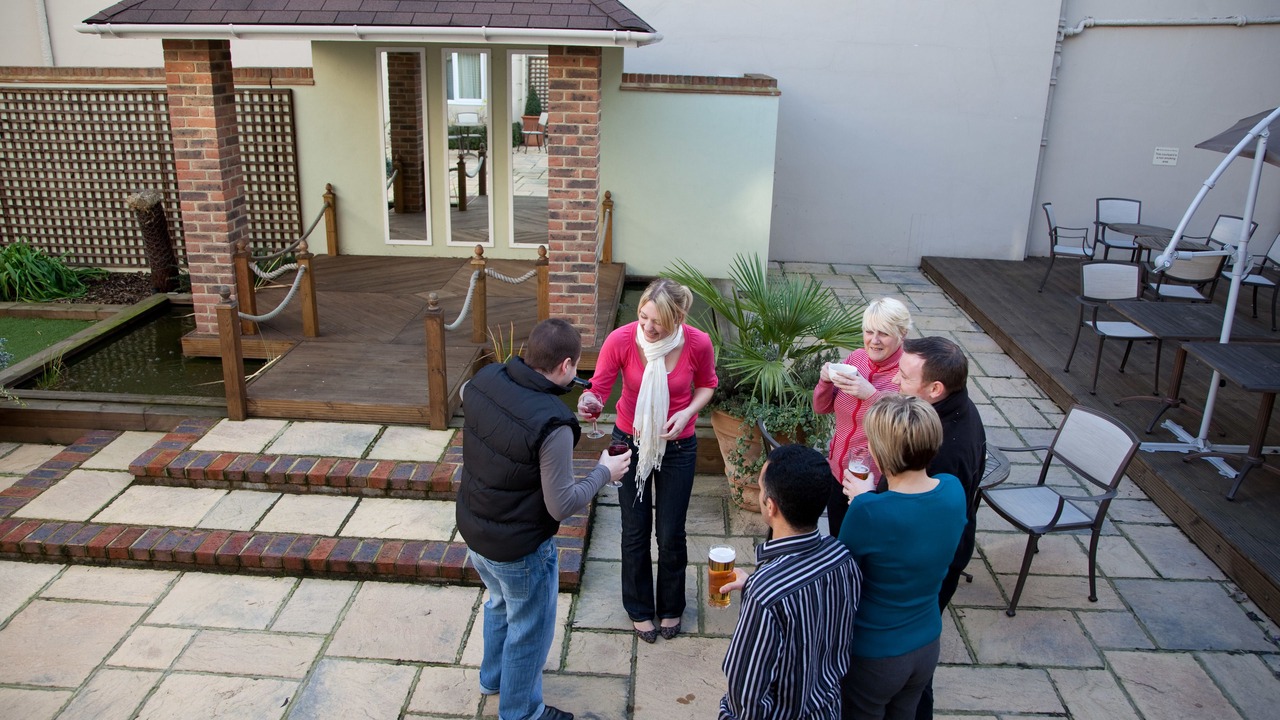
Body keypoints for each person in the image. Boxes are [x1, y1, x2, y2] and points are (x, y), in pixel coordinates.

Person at [457, 318, 632, 720]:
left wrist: (572, 393)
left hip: (475, 528)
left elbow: (505, 401)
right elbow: (561, 505)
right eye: (575, 369)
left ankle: (493, 678)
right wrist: (604, 471)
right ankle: (521, 712)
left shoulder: (483, 379)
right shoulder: (554, 425)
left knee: (499, 603)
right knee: (529, 630)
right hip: (519, 548)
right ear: (568, 363)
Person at [579, 278, 718, 643]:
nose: (649, 328)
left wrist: (687, 412)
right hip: (629, 442)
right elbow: (599, 388)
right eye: (644, 318)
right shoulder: (622, 339)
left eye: (658, 321)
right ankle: (639, 609)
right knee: (635, 530)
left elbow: (708, 385)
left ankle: (671, 606)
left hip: (678, 446)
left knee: (671, 533)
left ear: (679, 317)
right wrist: (589, 402)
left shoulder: (698, 343)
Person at [837, 394, 966, 720]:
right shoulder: (953, 489)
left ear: (880, 453)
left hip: (876, 653)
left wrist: (861, 502)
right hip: (926, 644)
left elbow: (842, 578)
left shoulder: (869, 512)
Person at [719, 444, 862, 720]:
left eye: (761, 489)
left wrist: (758, 588)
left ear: (770, 506)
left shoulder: (766, 596)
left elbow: (746, 697)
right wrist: (753, 584)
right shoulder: (843, 558)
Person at [891, 337, 986, 720]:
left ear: (935, 389)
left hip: (935, 562)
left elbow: (926, 519)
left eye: (903, 375)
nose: (895, 380)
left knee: (911, 652)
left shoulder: (944, 447)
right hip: (937, 550)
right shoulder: (947, 410)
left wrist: (872, 498)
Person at [813, 297, 912, 535]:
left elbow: (906, 427)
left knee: (864, 543)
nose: (874, 341)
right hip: (839, 472)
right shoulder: (856, 359)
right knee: (838, 536)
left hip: (874, 483)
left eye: (884, 334)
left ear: (902, 334)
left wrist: (872, 395)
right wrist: (825, 381)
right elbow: (821, 407)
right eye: (869, 331)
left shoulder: (906, 374)